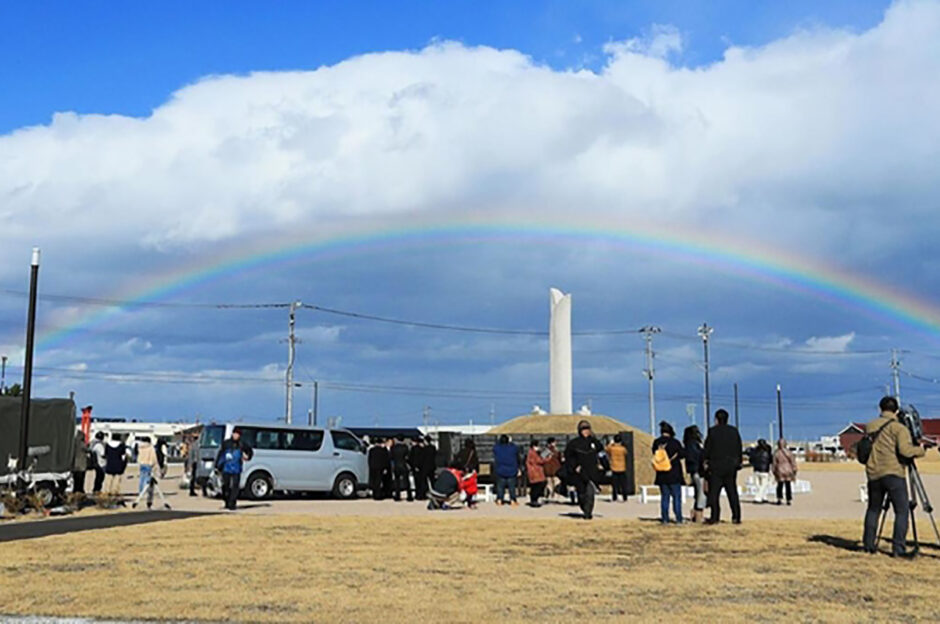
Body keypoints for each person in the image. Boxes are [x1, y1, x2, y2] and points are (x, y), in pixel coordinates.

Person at [862, 396, 927, 557]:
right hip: (893, 473)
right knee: (902, 510)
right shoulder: (899, 428)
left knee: (873, 509)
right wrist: (921, 450)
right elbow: (905, 451)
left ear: (880, 409)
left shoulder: (870, 426)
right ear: (896, 410)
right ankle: (898, 548)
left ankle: (868, 545)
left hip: (873, 473)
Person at [704, 409, 743, 525]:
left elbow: (707, 449)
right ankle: (736, 516)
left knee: (714, 493)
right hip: (731, 467)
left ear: (716, 419)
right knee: (732, 493)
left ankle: (715, 516)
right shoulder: (734, 431)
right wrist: (738, 462)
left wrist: (706, 461)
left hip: (716, 467)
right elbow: (739, 448)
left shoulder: (712, 432)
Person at [564, 420, 603, 520]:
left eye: (587, 429)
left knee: (590, 492)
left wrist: (603, 465)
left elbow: (601, 454)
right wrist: (574, 466)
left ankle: (588, 512)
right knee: (581, 494)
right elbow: (568, 457)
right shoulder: (574, 444)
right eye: (583, 430)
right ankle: (583, 507)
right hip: (579, 472)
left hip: (592, 471)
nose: (586, 432)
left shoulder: (595, 443)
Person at [653, 421, 685, 524]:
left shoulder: (656, 443)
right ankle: (678, 518)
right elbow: (682, 454)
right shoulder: (675, 442)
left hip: (661, 474)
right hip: (674, 473)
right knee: (676, 497)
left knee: (665, 497)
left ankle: (665, 518)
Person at [215, 428, 254, 511]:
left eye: (238, 434)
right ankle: (227, 501)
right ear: (232, 434)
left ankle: (232, 503)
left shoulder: (242, 444)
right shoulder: (226, 443)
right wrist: (217, 465)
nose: (236, 436)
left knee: (235, 486)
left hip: (237, 468)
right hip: (226, 468)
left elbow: (250, 451)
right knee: (226, 486)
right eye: (235, 434)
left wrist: (247, 457)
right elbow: (220, 454)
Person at [683, 425, 706, 523]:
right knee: (701, 493)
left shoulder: (687, 444)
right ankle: (698, 515)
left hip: (693, 470)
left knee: (698, 492)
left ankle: (695, 513)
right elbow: (699, 456)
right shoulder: (694, 444)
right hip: (698, 470)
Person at [492, 434, 520, 506]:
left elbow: (494, 448)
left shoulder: (497, 448)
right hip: (512, 469)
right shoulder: (513, 448)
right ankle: (512, 500)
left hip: (500, 469)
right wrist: (511, 442)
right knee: (512, 487)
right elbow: (517, 450)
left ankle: (499, 500)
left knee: (500, 487)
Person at [772, 438, 798, 506]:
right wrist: (794, 470)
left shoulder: (776, 453)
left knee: (780, 485)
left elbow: (774, 463)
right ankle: (788, 499)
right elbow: (793, 462)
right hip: (788, 470)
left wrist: (774, 471)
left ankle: (779, 498)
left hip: (780, 470)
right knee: (788, 485)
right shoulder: (789, 453)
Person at [454, 439, 479, 506]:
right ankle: (469, 500)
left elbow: (456, 460)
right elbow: (476, 462)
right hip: (470, 471)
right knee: (470, 486)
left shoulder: (461, 451)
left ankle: (464, 500)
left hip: (462, 471)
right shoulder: (473, 452)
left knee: (463, 486)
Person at [747, 439, 773, 504]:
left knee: (758, 485)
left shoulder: (755, 452)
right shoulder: (768, 452)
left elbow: (751, 459)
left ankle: (762, 497)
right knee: (763, 485)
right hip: (765, 470)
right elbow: (771, 460)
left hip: (756, 470)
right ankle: (759, 498)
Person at [606, 434, 629, 502]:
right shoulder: (623, 449)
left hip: (614, 467)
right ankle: (624, 497)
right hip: (622, 467)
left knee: (614, 484)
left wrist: (611, 443)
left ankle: (614, 497)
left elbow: (606, 449)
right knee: (623, 484)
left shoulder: (612, 449)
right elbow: (626, 453)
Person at [391, 435, 413, 502]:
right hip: (403, 464)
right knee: (406, 481)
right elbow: (408, 456)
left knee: (397, 482)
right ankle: (409, 496)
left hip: (396, 465)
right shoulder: (405, 447)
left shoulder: (393, 448)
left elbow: (391, 456)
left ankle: (397, 496)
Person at [525, 440, 548, 507]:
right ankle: (534, 500)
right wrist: (546, 458)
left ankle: (534, 499)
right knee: (537, 486)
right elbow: (538, 461)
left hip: (536, 471)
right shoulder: (532, 453)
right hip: (535, 471)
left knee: (536, 485)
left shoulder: (533, 452)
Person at [72, 430, 88, 495]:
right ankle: (80, 490)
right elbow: (87, 449)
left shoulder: (73, 443)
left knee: (75, 479)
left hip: (74, 464)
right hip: (81, 464)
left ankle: (75, 490)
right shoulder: (82, 443)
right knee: (81, 479)